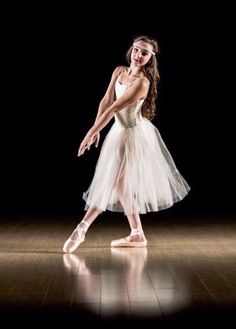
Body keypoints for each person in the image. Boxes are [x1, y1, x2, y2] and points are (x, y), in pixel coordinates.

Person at [63, 35, 190, 253]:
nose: (138, 55)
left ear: (151, 58)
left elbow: (115, 108)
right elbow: (105, 101)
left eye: (145, 53)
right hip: (118, 133)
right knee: (120, 184)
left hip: (135, 136)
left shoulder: (142, 83)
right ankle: (137, 233)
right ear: (131, 50)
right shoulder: (118, 71)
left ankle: (82, 228)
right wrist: (96, 130)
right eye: (136, 50)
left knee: (111, 179)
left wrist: (90, 133)